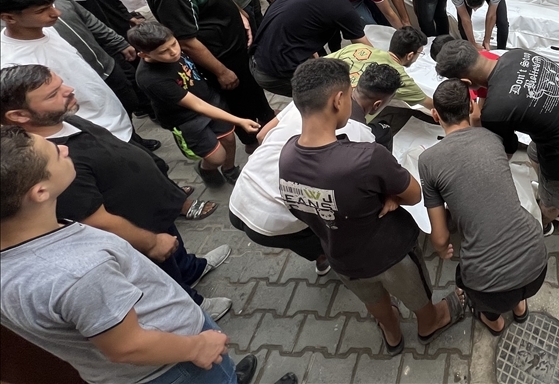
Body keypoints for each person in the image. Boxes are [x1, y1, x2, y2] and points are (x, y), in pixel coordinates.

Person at [0, 125, 277, 384]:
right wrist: (198, 347)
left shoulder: (26, 243)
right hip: (176, 365)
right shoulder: (78, 272)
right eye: (54, 153)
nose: (64, 148)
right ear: (39, 192)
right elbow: (127, 346)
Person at [279, 57, 466, 354]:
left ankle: (392, 334)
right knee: (415, 292)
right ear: (338, 100)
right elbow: (415, 194)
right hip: (389, 254)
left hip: (341, 256)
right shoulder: (366, 156)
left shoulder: (287, 156)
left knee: (372, 298)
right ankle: (430, 322)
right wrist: (390, 197)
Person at [434, 40, 559, 234]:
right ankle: (545, 187)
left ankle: (545, 222)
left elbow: (503, 155)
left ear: (465, 83)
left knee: (552, 200)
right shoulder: (515, 55)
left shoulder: (496, 110)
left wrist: (475, 129)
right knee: (534, 153)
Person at [228, 71, 389, 277]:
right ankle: (343, 265)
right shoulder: (357, 134)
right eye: (350, 95)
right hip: (274, 217)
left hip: (240, 198)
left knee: (296, 237)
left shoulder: (303, 104)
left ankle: (321, 259)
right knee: (319, 234)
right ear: (339, 100)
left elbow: (261, 135)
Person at [421, 79, 547, 334]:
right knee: (515, 285)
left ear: (435, 115)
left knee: (472, 285)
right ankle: (520, 308)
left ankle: (495, 322)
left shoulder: (428, 161)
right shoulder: (492, 140)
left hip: (489, 287)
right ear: (471, 107)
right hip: (537, 263)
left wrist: (441, 248)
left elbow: (441, 236)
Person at [138, 0, 273, 138]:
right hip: (223, 57)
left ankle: (268, 117)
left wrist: (238, 13)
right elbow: (186, 41)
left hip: (237, 46)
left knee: (254, 91)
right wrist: (222, 72)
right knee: (241, 104)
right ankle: (256, 140)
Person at [0, 0, 134, 144]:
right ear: (9, 17)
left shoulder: (45, 30)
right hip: (93, 135)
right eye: (41, 10)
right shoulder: (14, 64)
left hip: (113, 117)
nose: (56, 13)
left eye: (52, 6)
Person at [129, 22, 258, 187]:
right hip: (186, 119)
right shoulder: (150, 79)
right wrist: (239, 120)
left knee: (229, 138)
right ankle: (206, 169)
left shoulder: (174, 48)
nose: (174, 52)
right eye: (163, 52)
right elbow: (197, 106)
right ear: (144, 55)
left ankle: (230, 169)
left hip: (210, 99)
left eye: (174, 44)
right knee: (216, 157)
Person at [248, 0, 370, 96]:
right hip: (274, 74)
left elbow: (297, 18)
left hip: (258, 55)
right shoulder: (342, 7)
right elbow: (366, 49)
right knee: (329, 98)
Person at [329, 28, 432, 137]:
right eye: (420, 53)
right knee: (384, 132)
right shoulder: (399, 77)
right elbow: (431, 104)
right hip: (345, 127)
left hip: (320, 106)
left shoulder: (356, 48)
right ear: (410, 55)